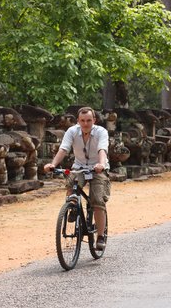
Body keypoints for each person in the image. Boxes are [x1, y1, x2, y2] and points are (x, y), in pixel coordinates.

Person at [44, 107, 110, 250]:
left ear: (94, 120)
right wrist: (53, 164)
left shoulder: (101, 132)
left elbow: (102, 150)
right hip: (79, 167)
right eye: (82, 121)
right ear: (78, 121)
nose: (85, 124)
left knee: (97, 200)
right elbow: (64, 149)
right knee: (71, 185)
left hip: (97, 167)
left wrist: (101, 164)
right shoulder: (72, 131)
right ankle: (73, 208)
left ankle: (100, 236)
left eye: (89, 120)